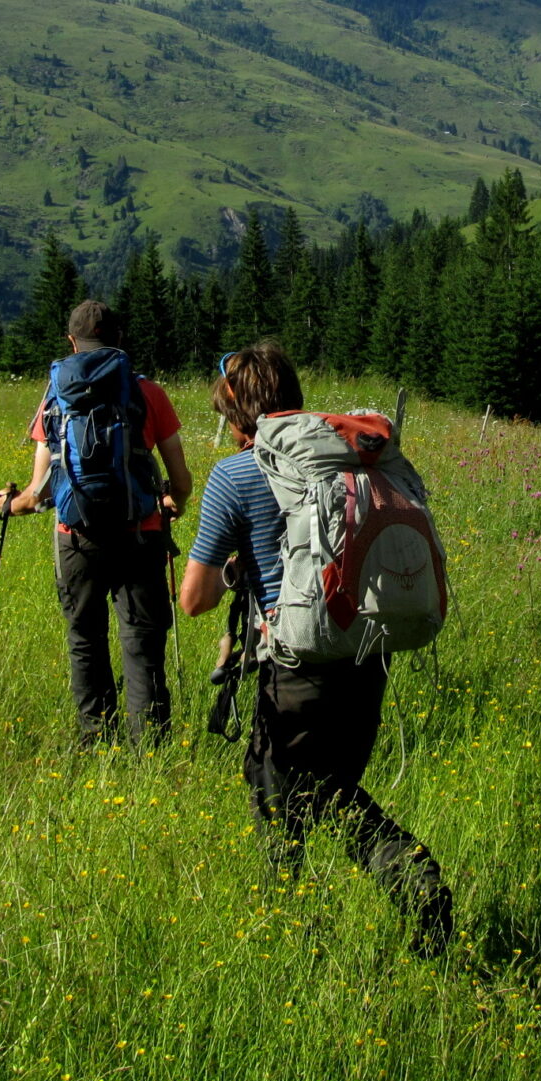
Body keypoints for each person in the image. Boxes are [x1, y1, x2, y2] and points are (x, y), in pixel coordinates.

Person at [178, 342, 452, 953]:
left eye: (225, 415)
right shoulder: (345, 465)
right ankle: (407, 885)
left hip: (294, 664)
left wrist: (224, 567)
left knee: (280, 803)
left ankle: (295, 937)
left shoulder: (236, 474)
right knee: (332, 789)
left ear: (239, 416)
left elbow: (193, 599)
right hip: (365, 652)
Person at [0, 301, 192, 748]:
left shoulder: (55, 398)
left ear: (71, 342)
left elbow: (38, 492)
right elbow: (180, 479)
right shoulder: (149, 394)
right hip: (140, 533)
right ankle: (152, 751)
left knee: (85, 639)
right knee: (141, 643)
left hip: (77, 538)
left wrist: (10, 506)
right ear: (119, 340)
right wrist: (171, 502)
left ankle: (97, 741)